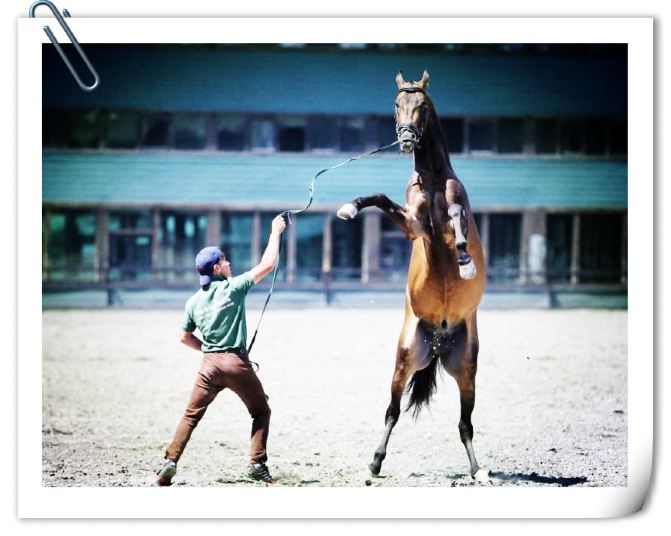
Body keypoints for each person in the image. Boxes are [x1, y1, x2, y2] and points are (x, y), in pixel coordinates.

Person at [156, 215, 287, 486]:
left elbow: (184, 337)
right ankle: (257, 464)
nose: (229, 263)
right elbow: (268, 264)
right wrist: (275, 232)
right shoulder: (233, 287)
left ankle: (169, 462)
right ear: (217, 268)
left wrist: (209, 349)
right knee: (261, 412)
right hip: (236, 364)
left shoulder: (193, 301)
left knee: (191, 415)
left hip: (209, 365)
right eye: (225, 260)